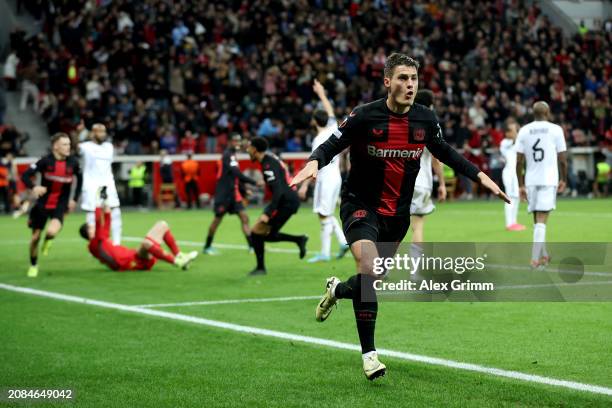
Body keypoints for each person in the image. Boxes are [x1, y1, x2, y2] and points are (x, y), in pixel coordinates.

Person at [291, 53, 509, 380]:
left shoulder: (424, 119)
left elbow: (446, 152)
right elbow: (333, 143)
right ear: (388, 82)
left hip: (397, 216)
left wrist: (480, 176)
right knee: (367, 266)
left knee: (371, 281)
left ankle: (336, 291)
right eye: (403, 78)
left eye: (414, 79)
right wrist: (313, 161)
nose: (410, 85)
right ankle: (369, 356)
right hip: (361, 205)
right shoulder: (365, 115)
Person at [79, 187, 198, 271]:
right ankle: (177, 262)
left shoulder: (101, 238)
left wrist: (105, 199)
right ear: (89, 233)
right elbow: (99, 221)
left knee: (162, 224)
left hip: (135, 255)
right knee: (146, 243)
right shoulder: (94, 244)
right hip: (132, 262)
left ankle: (179, 255)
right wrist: (97, 202)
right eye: (91, 227)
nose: (94, 226)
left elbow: (107, 218)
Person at [298, 80, 349, 263]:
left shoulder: (318, 139)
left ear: (313, 121)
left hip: (326, 178)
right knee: (325, 213)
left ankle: (327, 252)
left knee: (323, 214)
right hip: (336, 177)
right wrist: (321, 93)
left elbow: (314, 165)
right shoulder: (333, 129)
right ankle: (340, 244)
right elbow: (330, 111)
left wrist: (303, 185)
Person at [21, 133, 83, 277]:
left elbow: (80, 180)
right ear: (56, 146)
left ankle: (48, 240)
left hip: (60, 204)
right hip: (42, 204)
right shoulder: (45, 161)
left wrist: (74, 199)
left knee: (51, 232)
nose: (68, 147)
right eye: (64, 144)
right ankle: (33, 265)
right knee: (35, 238)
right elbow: (25, 175)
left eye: (69, 144)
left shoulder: (73, 162)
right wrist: (34, 187)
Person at [516, 101, 567, 269]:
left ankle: (544, 255)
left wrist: (521, 185)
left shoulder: (524, 130)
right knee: (541, 220)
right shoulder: (556, 130)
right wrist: (564, 179)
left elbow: (519, 161)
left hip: (530, 180)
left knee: (538, 221)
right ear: (548, 112)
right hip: (548, 180)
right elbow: (563, 159)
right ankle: (534, 259)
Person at [247, 137, 309, 276]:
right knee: (262, 234)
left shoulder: (268, 164)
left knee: (256, 232)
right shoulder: (270, 159)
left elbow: (278, 190)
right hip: (285, 200)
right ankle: (299, 239)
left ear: (255, 149)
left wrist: (268, 212)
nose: (247, 150)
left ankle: (261, 268)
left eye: (249, 147)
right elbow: (281, 178)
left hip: (285, 202)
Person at [203, 133, 258, 255]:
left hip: (233, 195)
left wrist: (243, 190)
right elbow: (237, 173)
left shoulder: (232, 155)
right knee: (217, 221)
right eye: (234, 141)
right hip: (223, 196)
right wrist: (254, 182)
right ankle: (207, 246)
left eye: (238, 141)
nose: (237, 143)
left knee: (244, 217)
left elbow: (234, 177)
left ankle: (252, 246)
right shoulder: (227, 155)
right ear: (229, 142)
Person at [409, 90, 446, 252]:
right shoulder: (432, 125)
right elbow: (436, 159)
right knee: (417, 226)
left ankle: (382, 268)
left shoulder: (403, 121)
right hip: (421, 182)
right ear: (430, 105)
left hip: (399, 182)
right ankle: (415, 273)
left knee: (393, 226)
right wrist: (442, 184)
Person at [79, 122, 123, 244]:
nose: (103, 134)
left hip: (108, 183)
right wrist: (80, 133)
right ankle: (94, 243)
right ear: (93, 133)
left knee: (115, 212)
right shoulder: (85, 146)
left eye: (104, 131)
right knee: (92, 214)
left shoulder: (109, 147)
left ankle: (116, 244)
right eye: (99, 131)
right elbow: (75, 150)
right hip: (91, 184)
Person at [500, 118, 525, 231]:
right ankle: (509, 224)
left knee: (516, 197)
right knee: (510, 198)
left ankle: (514, 222)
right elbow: (515, 142)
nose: (515, 132)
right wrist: (516, 134)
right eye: (513, 130)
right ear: (507, 132)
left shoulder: (519, 142)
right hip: (509, 173)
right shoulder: (504, 143)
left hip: (516, 174)